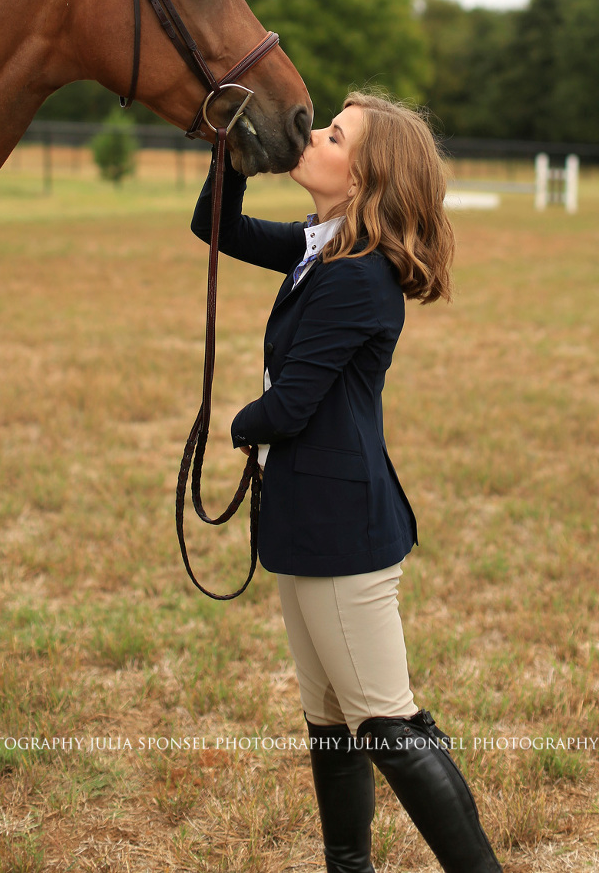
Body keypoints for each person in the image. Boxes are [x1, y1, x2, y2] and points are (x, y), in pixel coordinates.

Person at [191, 91, 502, 873]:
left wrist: (234, 425)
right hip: (307, 519)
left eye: (333, 134)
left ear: (363, 179)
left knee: (387, 725)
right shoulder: (318, 242)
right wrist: (231, 152)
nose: (315, 135)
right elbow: (215, 228)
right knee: (327, 719)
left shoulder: (357, 276)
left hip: (342, 532)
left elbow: (292, 405)